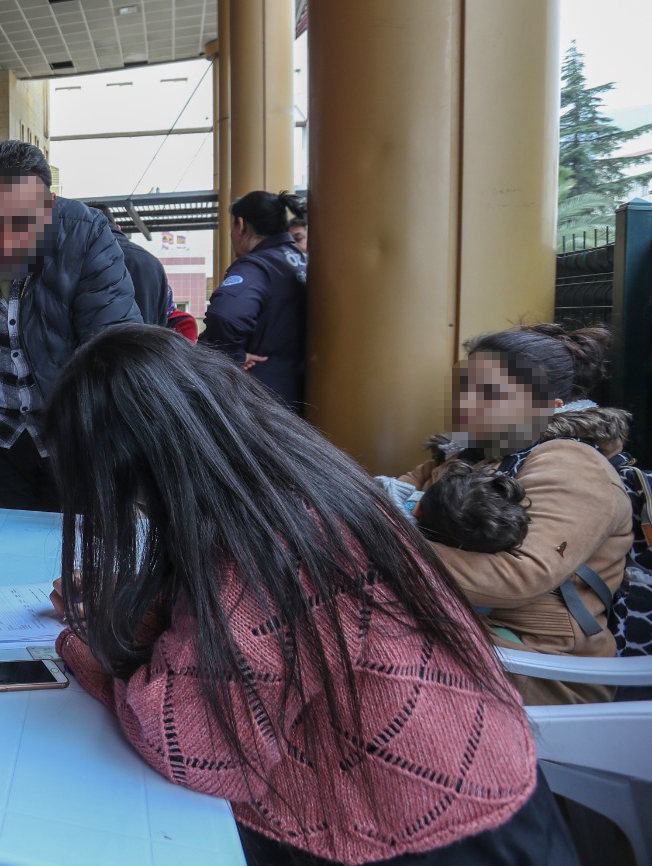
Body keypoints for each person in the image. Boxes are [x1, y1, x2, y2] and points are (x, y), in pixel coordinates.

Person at [47, 325, 575, 866]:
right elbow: (226, 629)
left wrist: (84, 649)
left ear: (144, 468)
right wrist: (129, 605)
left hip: (423, 835)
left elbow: (199, 747)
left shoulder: (262, 544)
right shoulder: (294, 481)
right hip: (483, 794)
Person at [399, 324, 633, 704]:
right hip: (463, 633)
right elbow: (377, 500)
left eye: (491, 394)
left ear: (547, 407)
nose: (467, 404)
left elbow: (520, 577)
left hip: (541, 666)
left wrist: (381, 548)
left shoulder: (572, 463)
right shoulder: (467, 454)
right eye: (466, 388)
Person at [0, 139, 141, 512]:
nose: (7, 242)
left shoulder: (85, 235)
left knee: (76, 547)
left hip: (74, 437)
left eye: (24, 223)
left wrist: (122, 454)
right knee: (9, 546)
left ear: (48, 207)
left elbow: (118, 349)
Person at [200, 190, 308, 410]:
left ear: (240, 225)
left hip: (262, 398)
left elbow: (225, 315)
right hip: (301, 390)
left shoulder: (257, 267)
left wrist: (234, 356)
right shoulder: (300, 261)